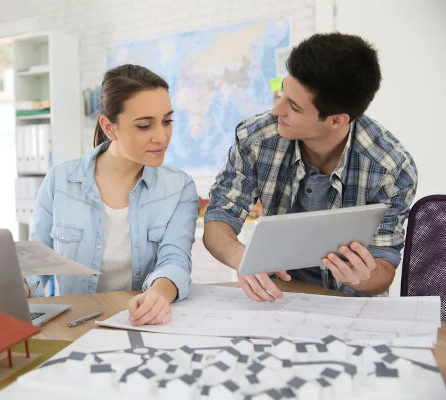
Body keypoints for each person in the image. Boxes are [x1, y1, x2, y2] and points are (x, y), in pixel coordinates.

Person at [203, 33, 417, 301]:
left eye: (293, 106)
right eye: (282, 92)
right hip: (274, 299)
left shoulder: (391, 167)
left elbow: (385, 263)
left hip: (348, 307)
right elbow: (220, 216)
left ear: (337, 120)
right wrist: (241, 257)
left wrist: (363, 277)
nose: (275, 110)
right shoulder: (256, 138)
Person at [24, 64, 199, 325]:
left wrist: (158, 296)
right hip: (74, 325)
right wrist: (18, 288)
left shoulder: (179, 188)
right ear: (109, 127)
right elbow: (38, 263)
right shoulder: (60, 181)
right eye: (144, 126)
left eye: (167, 121)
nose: (162, 137)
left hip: (142, 324)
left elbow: (175, 259)